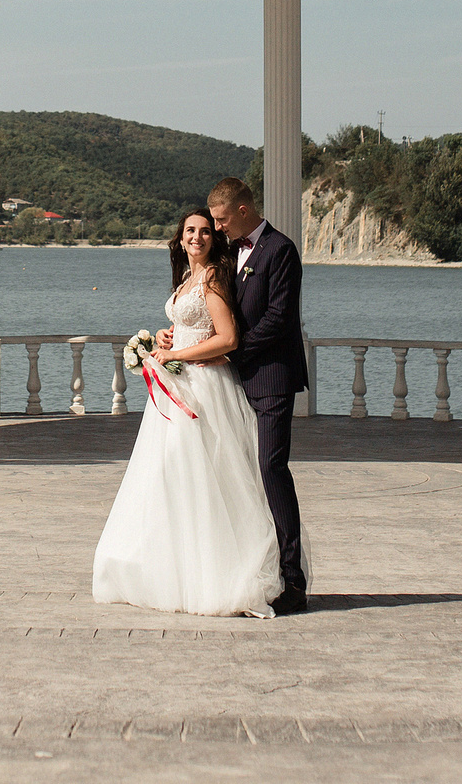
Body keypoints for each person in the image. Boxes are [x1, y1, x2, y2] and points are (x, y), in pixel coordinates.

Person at [89, 209, 284, 618]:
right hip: (179, 385)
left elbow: (228, 338)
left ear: (214, 239)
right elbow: (191, 326)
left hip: (204, 389)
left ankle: (214, 573)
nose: (197, 237)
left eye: (205, 231)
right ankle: (173, 569)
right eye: (190, 231)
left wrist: (174, 353)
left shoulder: (213, 277)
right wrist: (164, 336)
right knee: (170, 475)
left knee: (204, 474)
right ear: (179, 239)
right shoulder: (186, 280)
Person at [207, 176, 311, 614]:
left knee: (271, 468)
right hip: (233, 382)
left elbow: (279, 318)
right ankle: (251, 570)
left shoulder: (281, 250)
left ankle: (293, 580)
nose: (218, 228)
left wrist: (232, 351)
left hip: (271, 377)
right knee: (237, 474)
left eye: (222, 220)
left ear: (244, 211)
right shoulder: (229, 252)